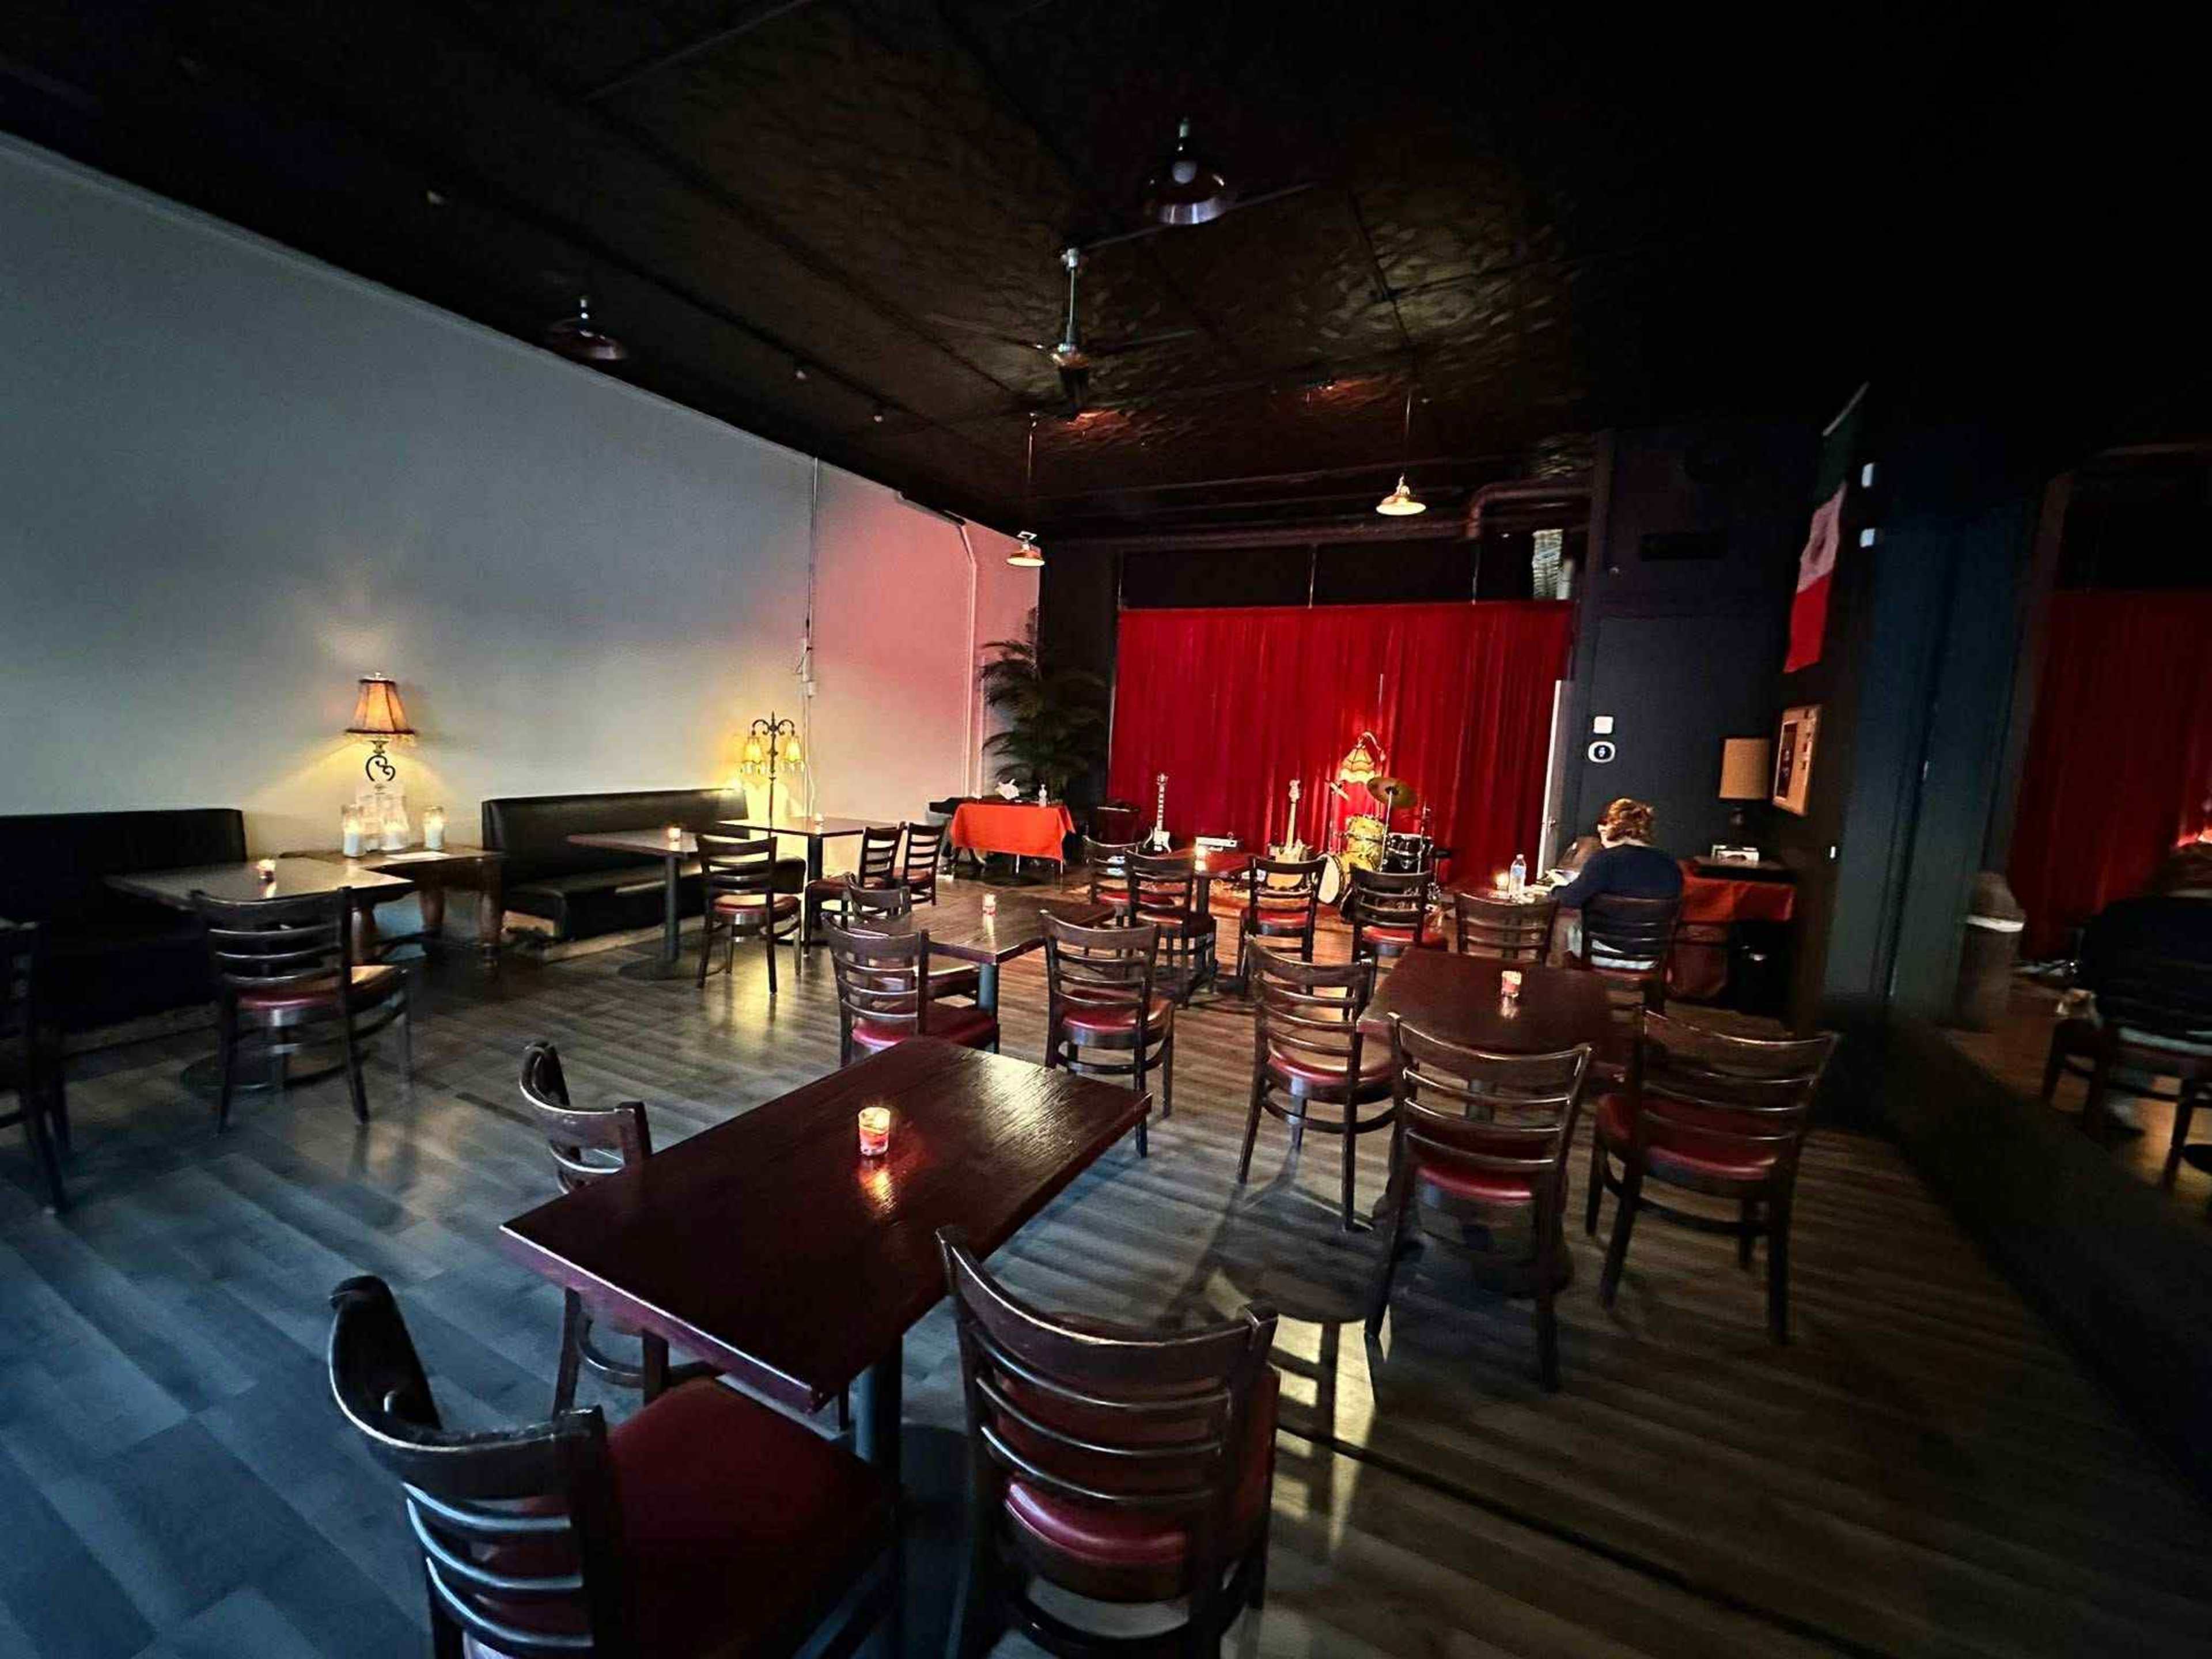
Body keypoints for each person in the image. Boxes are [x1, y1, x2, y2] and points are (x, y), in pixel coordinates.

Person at [1554, 798, 1684, 910]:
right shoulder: (1669, 863)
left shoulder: (1604, 860)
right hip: (1657, 937)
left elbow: (1570, 900)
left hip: (1605, 937)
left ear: (1611, 828)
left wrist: (1555, 890)